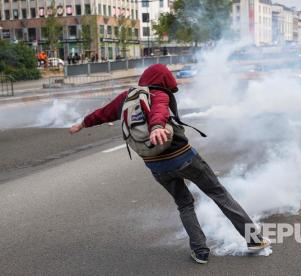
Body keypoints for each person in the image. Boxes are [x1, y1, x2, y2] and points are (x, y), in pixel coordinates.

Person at [69, 64, 269, 264]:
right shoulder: (159, 94)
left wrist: (83, 123)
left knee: (184, 204)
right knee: (218, 193)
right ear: (164, 80)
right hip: (183, 157)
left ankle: (200, 252)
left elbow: (103, 113)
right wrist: (156, 127)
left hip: (156, 165)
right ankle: (254, 240)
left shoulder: (127, 97)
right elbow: (159, 111)